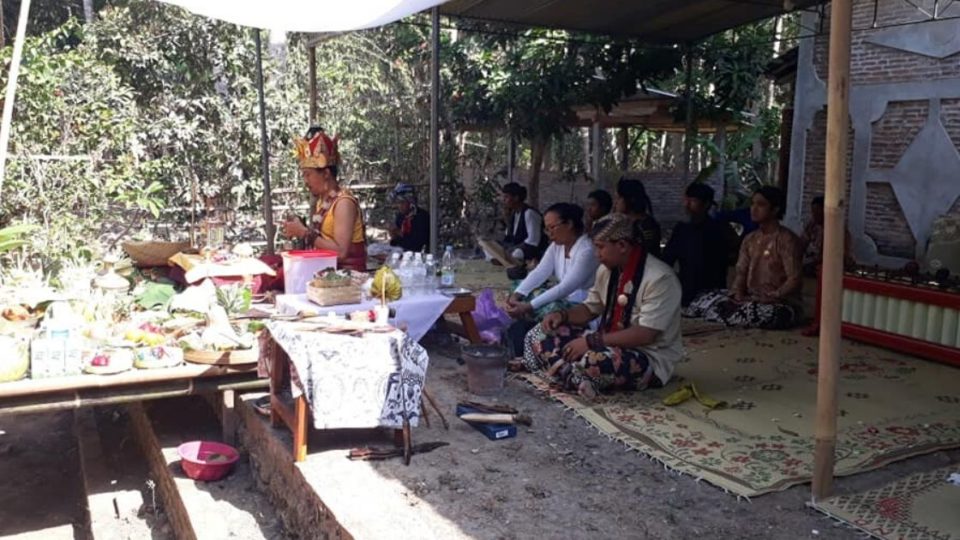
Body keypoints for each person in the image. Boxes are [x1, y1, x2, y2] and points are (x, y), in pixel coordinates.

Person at [522, 213, 683, 399]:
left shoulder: (660, 279)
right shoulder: (606, 271)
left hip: (647, 356)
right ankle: (573, 375)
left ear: (622, 245)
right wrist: (562, 316)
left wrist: (591, 342)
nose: (597, 255)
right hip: (605, 341)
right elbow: (590, 309)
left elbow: (646, 334)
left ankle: (564, 371)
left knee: (593, 362)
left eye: (600, 248)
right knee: (539, 332)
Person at [685, 186, 803, 329]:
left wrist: (774, 295)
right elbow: (740, 273)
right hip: (751, 299)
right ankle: (735, 314)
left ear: (775, 209)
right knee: (703, 299)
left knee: (770, 314)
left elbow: (794, 279)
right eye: (752, 204)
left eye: (760, 205)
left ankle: (736, 315)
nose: (753, 209)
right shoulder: (750, 239)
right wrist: (738, 293)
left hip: (780, 303)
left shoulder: (787, 239)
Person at [503, 203, 599, 358]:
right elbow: (540, 272)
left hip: (582, 306)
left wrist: (529, 306)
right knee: (519, 285)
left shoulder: (587, 250)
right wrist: (517, 295)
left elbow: (566, 287)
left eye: (552, 228)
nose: (549, 233)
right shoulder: (557, 246)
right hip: (564, 298)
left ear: (569, 224)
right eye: (546, 229)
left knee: (549, 304)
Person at [281, 127, 367, 272]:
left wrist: (304, 232)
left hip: (347, 279)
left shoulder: (344, 203)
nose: (305, 181)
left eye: (308, 175)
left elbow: (341, 253)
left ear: (326, 174)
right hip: (326, 274)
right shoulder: (324, 201)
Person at [661, 182, 735, 306]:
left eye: (693, 201)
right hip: (685, 292)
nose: (687, 205)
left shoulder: (720, 230)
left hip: (712, 294)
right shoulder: (681, 230)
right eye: (686, 200)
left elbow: (731, 258)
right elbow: (667, 259)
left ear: (706, 204)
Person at [800, 195, 854, 276]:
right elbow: (801, 244)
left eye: (817, 212)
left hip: (833, 268)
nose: (814, 216)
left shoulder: (838, 230)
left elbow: (835, 256)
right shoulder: (812, 225)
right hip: (815, 263)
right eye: (813, 212)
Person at [615, 178, 661, 257]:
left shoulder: (646, 226)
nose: (616, 202)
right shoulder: (623, 223)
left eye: (619, 198)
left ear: (631, 199)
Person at [387, 183, 430, 253]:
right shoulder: (400, 216)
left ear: (411, 202)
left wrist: (400, 233)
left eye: (402, 203)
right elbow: (395, 243)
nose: (399, 206)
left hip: (416, 253)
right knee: (372, 248)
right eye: (398, 203)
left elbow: (417, 245)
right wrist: (393, 235)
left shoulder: (422, 217)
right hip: (401, 250)